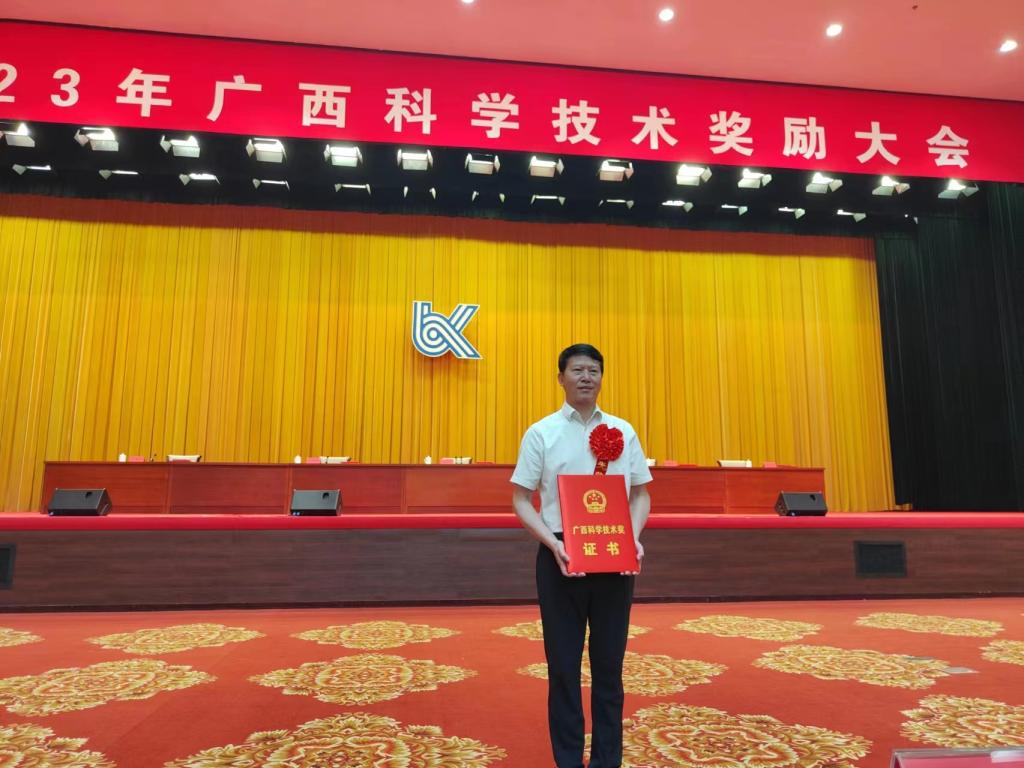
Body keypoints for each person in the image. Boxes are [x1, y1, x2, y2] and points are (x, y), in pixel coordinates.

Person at [510, 343, 652, 768]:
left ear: (601, 377)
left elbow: (640, 494)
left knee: (610, 667)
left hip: (613, 555)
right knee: (563, 667)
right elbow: (521, 500)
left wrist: (632, 537)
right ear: (561, 378)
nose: (586, 377)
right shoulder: (542, 433)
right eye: (577, 370)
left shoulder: (623, 431)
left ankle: (608, 760)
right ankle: (569, 760)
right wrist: (552, 544)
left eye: (593, 370)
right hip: (560, 557)